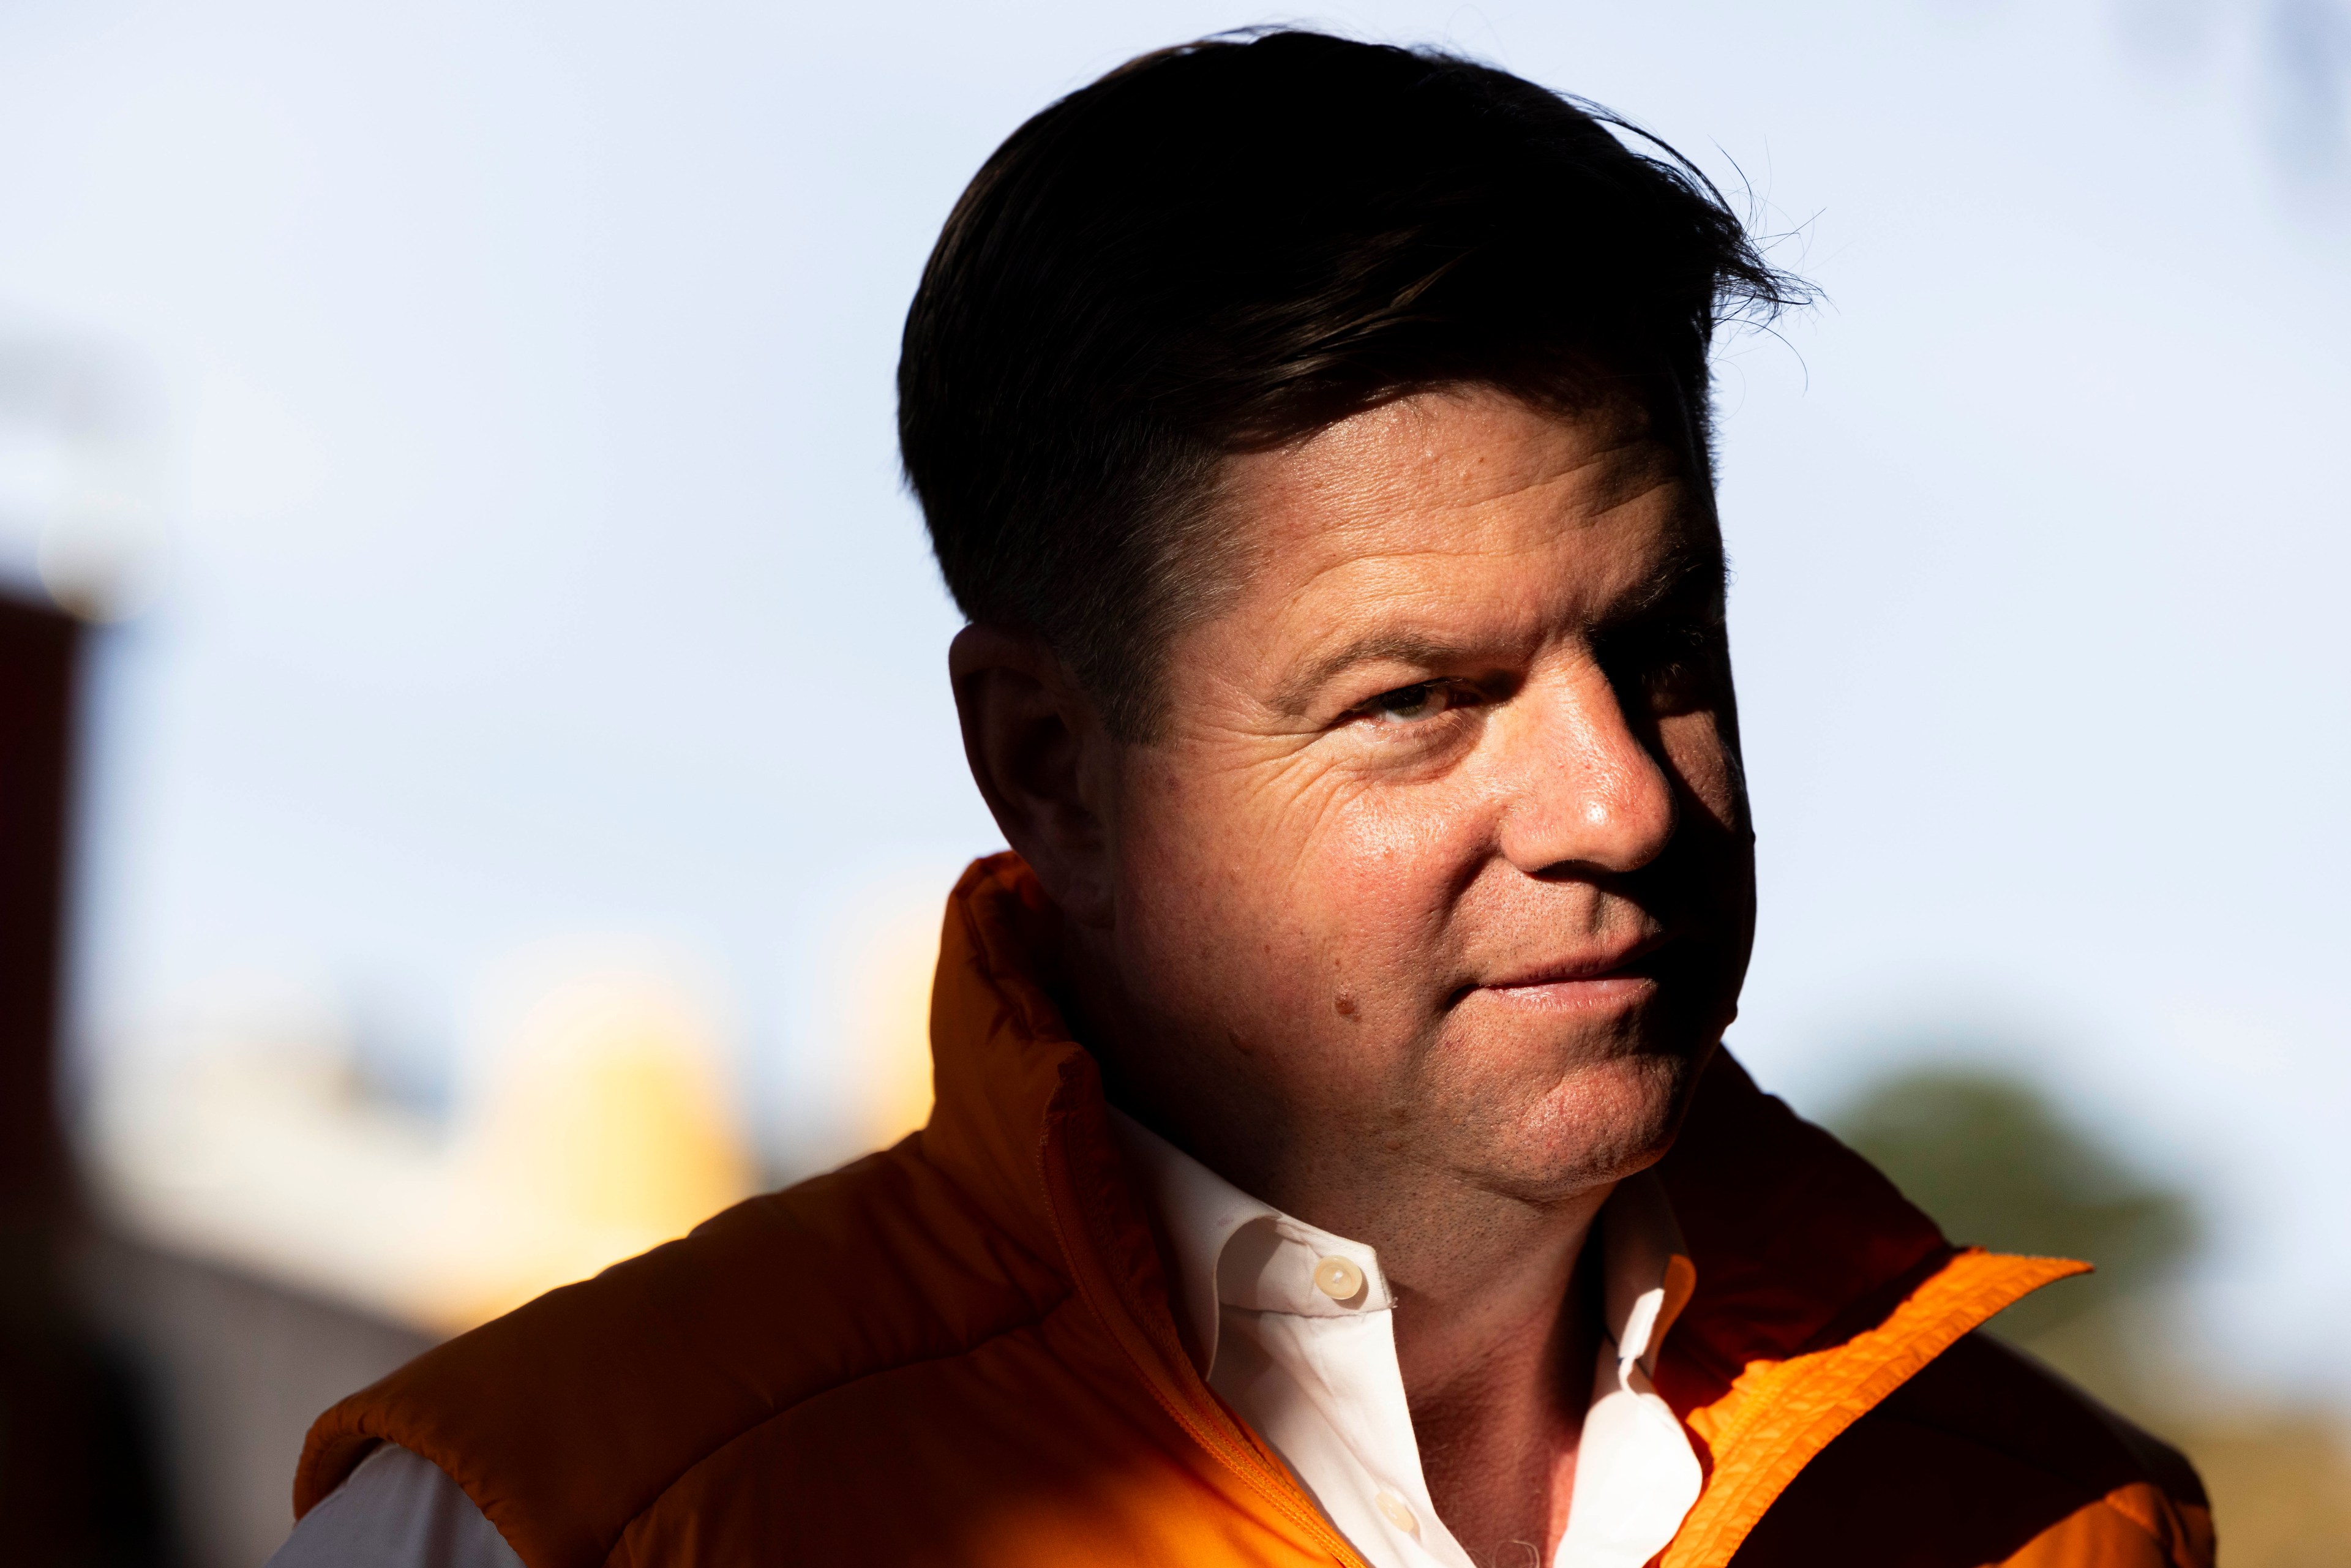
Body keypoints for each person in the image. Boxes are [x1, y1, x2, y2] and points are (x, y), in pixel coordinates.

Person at [271, 31, 2213, 1568]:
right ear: (1050, 767)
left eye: (1663, 655)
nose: (1617, 803)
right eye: (1418, 702)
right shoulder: (583, 1522)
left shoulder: (2060, 1522)